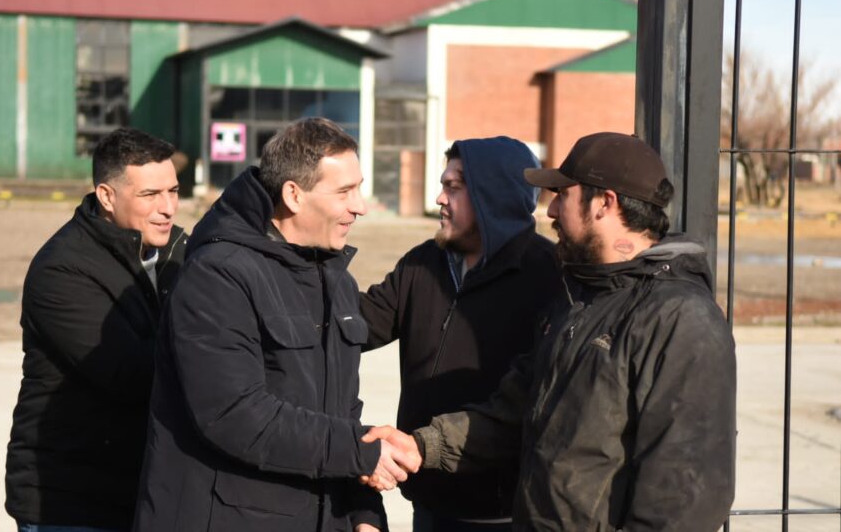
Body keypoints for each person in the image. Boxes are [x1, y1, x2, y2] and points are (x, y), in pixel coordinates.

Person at [365, 132, 737, 531]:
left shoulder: (681, 319)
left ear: (604, 203)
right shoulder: (580, 301)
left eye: (563, 195)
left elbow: (682, 502)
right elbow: (516, 411)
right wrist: (423, 445)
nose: (551, 210)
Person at [133, 117, 418, 532]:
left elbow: (343, 415)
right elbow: (234, 414)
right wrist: (361, 453)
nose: (359, 206)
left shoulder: (336, 281)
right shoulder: (218, 275)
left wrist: (364, 512)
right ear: (293, 195)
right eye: (344, 192)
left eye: (359, 188)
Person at [360, 137, 560, 531]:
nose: (439, 199)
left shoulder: (549, 274)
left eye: (453, 187)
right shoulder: (423, 262)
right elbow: (359, 325)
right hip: (429, 501)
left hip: (508, 514)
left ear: (493, 196)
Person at [6, 128, 187, 532]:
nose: (167, 208)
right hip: (69, 502)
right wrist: (219, 354)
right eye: (149, 195)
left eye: (173, 191)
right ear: (106, 196)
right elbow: (129, 373)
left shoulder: (177, 251)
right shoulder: (61, 270)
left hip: (144, 492)